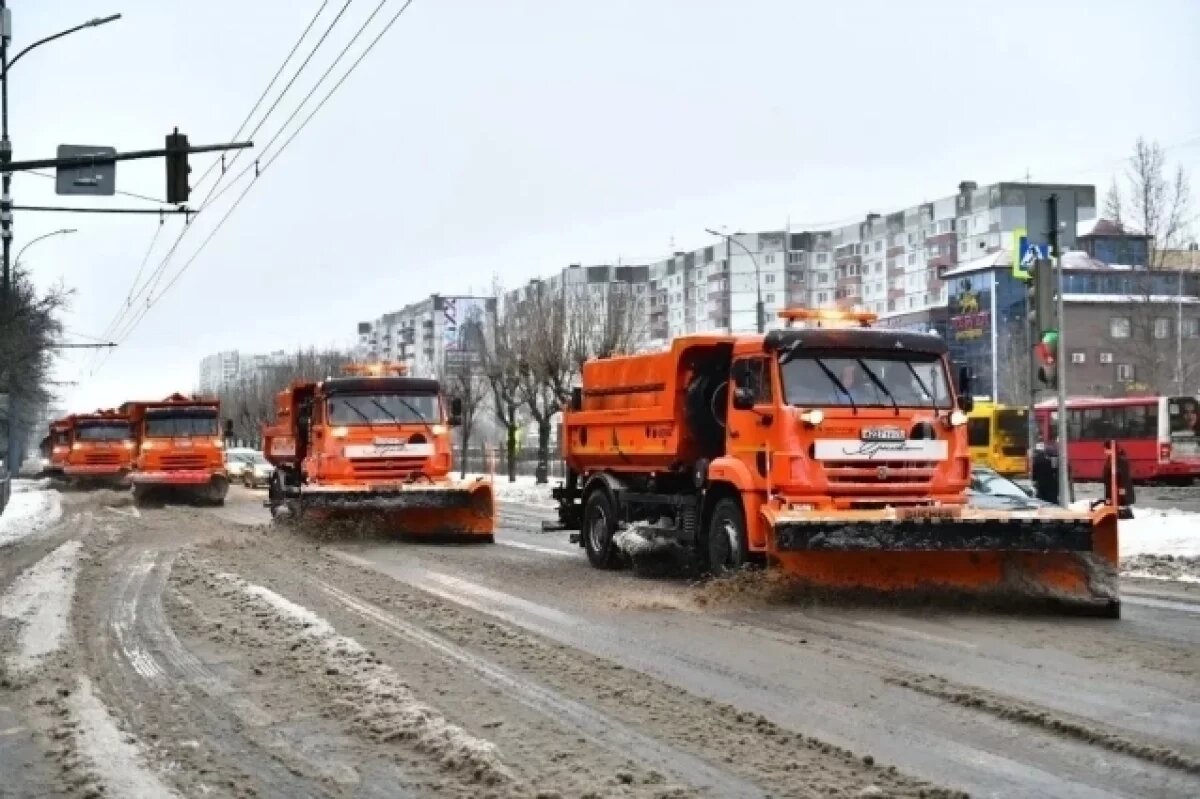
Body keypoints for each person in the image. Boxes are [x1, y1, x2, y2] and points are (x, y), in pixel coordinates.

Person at [1100, 439, 1136, 519]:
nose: (1105, 452)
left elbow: (1121, 477)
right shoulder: (1113, 458)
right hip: (1113, 490)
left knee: (1121, 509)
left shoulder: (1119, 459)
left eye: (1106, 449)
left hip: (1118, 492)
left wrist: (1121, 492)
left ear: (1110, 449)